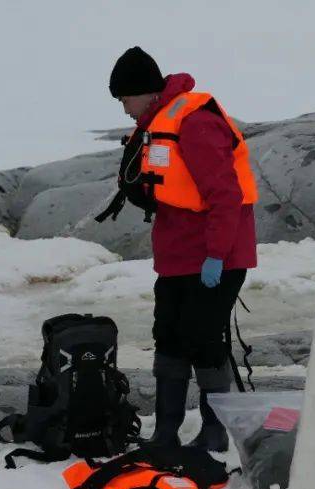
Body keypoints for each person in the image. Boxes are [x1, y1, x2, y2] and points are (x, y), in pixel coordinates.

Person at [103, 46, 257, 452]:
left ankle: (213, 431)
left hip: (213, 255)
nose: (124, 110)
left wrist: (217, 255)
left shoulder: (195, 123)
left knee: (204, 339)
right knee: (169, 336)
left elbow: (226, 195)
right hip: (176, 257)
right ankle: (166, 430)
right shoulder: (154, 127)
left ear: (146, 92)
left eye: (125, 99)